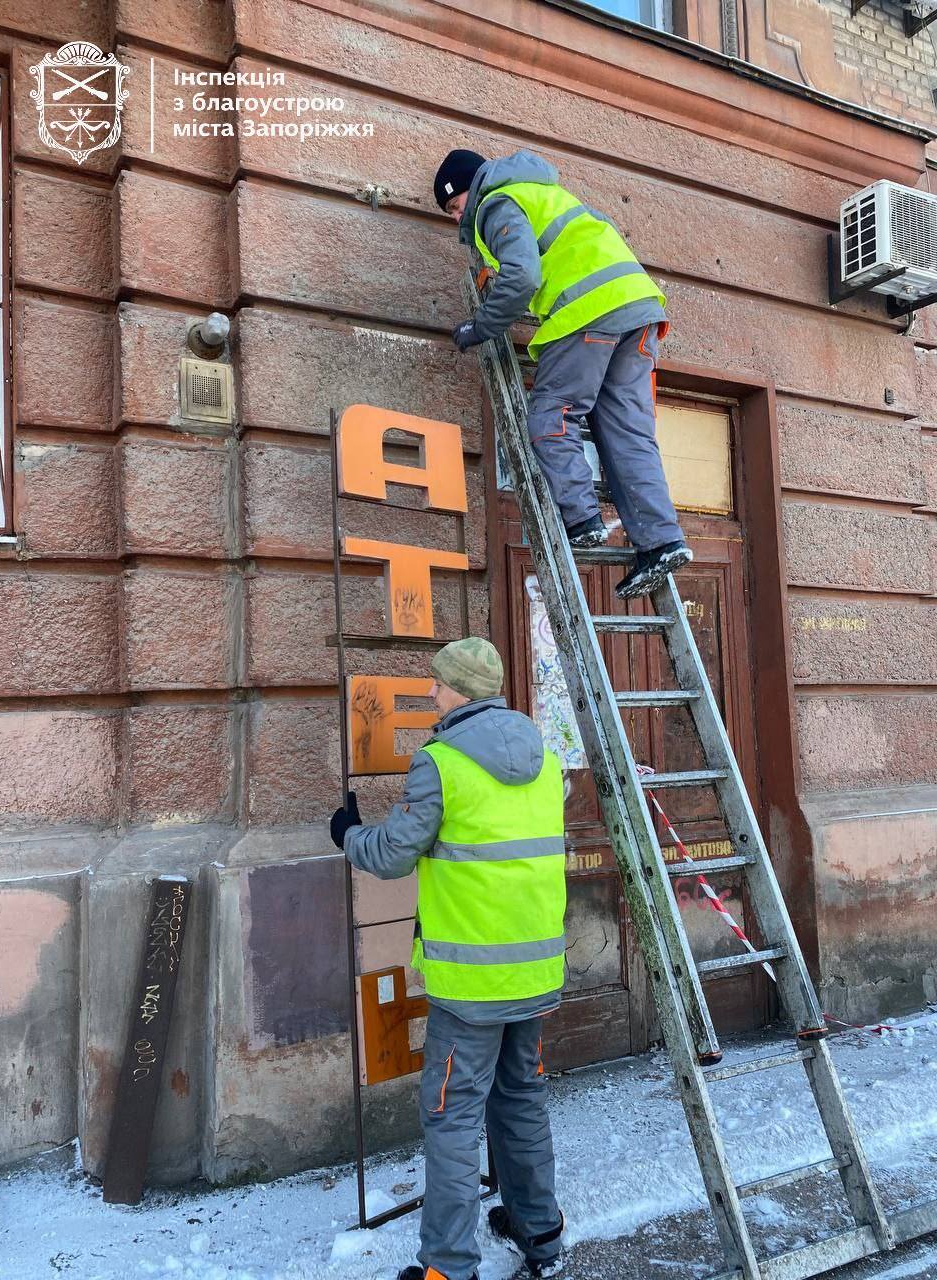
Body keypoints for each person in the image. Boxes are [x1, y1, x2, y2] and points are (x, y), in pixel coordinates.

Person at [330, 638, 567, 1280]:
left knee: (452, 1117)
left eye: (437, 683)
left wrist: (347, 833)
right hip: (534, 968)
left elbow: (392, 855)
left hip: (470, 982)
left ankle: (447, 1267)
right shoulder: (545, 758)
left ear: (460, 689)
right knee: (521, 1099)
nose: (432, 693)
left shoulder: (440, 762)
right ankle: (540, 1233)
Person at [435, 147, 692, 599]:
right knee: (629, 434)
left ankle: (582, 521)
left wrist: (481, 326)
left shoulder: (495, 202)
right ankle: (662, 543)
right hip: (639, 312)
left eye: (456, 206)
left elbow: (522, 276)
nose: (458, 218)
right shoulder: (546, 192)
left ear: (471, 187)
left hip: (588, 314)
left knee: (551, 416)